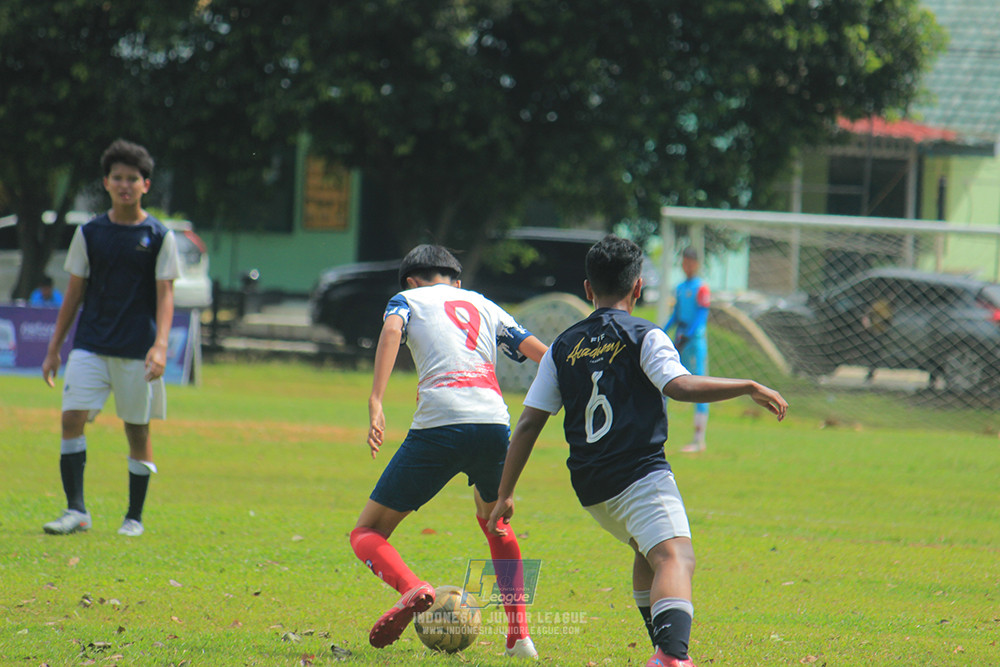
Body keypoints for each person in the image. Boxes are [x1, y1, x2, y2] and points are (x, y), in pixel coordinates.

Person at [488, 235, 788, 667]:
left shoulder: (561, 347)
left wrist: (505, 493)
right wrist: (748, 385)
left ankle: (662, 647)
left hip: (591, 485)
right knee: (676, 555)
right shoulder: (645, 335)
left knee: (649, 552)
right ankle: (671, 657)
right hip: (638, 472)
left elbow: (530, 423)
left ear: (588, 289)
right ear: (638, 288)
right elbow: (679, 385)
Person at [350, 244, 548, 658]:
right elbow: (540, 354)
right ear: (456, 281)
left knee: (366, 532)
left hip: (440, 424)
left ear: (411, 279)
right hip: (494, 422)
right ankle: (520, 637)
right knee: (496, 523)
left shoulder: (407, 299)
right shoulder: (482, 303)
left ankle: (413, 588)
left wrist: (376, 401)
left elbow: (390, 331)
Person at [41, 139, 180, 538]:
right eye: (117, 178)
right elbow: (73, 293)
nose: (124, 185)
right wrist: (54, 348)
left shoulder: (158, 236)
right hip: (90, 345)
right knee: (71, 418)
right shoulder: (89, 233)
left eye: (132, 179)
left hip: (138, 349)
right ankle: (76, 511)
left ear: (145, 185)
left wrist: (161, 345)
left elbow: (165, 294)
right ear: (106, 182)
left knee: (137, 430)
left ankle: (133, 517)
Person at [663, 247, 711, 451]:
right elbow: (676, 314)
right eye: (684, 262)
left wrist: (690, 334)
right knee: (665, 380)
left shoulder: (702, 288)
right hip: (679, 338)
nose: (687, 266)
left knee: (700, 383)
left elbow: (702, 315)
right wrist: (662, 331)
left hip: (694, 340)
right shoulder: (680, 288)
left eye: (690, 262)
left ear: (697, 264)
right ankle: (658, 433)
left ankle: (699, 439)